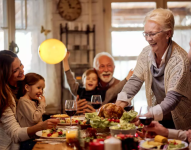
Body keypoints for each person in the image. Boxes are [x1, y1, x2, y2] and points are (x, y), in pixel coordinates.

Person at [116, 8, 191, 130]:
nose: (148, 39)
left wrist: (147, 115)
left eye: (152, 34)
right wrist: (119, 104)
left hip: (181, 124)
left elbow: (172, 99)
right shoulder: (146, 53)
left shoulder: (180, 60)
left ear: (168, 34)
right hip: (158, 119)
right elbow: (135, 80)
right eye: (146, 34)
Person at [0, 50, 59, 150]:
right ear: (5, 74)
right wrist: (41, 126)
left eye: (21, 65)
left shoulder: (23, 84)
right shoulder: (3, 96)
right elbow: (15, 133)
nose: (22, 71)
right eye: (15, 70)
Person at [63, 52, 132, 113]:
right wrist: (74, 108)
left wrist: (100, 113)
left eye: (109, 66)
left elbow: (129, 113)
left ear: (114, 67)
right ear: (95, 69)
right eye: (102, 66)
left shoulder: (122, 87)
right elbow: (71, 82)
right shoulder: (86, 87)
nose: (106, 69)